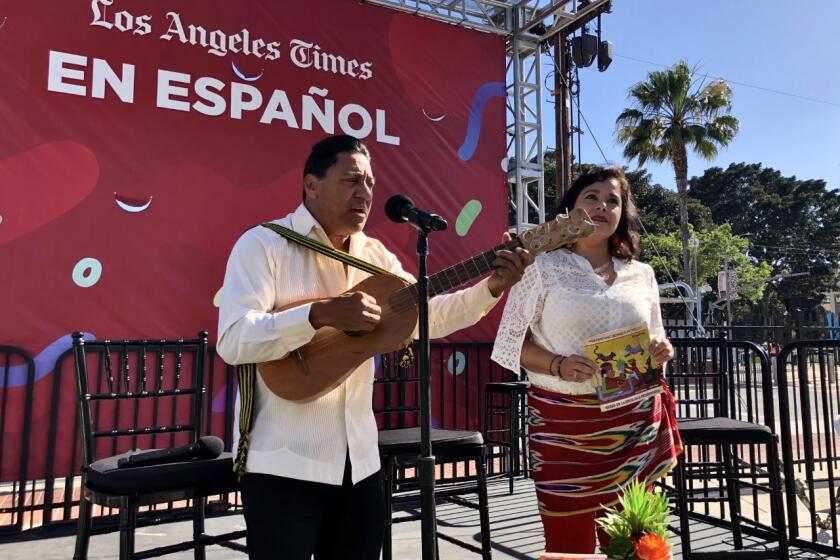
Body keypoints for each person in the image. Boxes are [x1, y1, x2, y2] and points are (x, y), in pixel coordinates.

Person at [216, 134, 534, 560]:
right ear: (311, 185)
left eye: (369, 182)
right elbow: (234, 339)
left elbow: (428, 316)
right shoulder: (263, 246)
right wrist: (317, 315)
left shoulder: (377, 257)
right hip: (282, 465)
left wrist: (492, 286)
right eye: (351, 181)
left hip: (360, 463)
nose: (364, 193)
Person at [491, 166, 682, 554]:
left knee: (635, 542)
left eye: (613, 200)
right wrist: (558, 364)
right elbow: (511, 344)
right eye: (591, 197)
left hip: (634, 425)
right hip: (565, 428)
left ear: (622, 215)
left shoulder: (642, 274)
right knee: (569, 545)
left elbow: (655, 334)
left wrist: (663, 349)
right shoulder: (540, 267)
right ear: (571, 208)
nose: (602, 206)